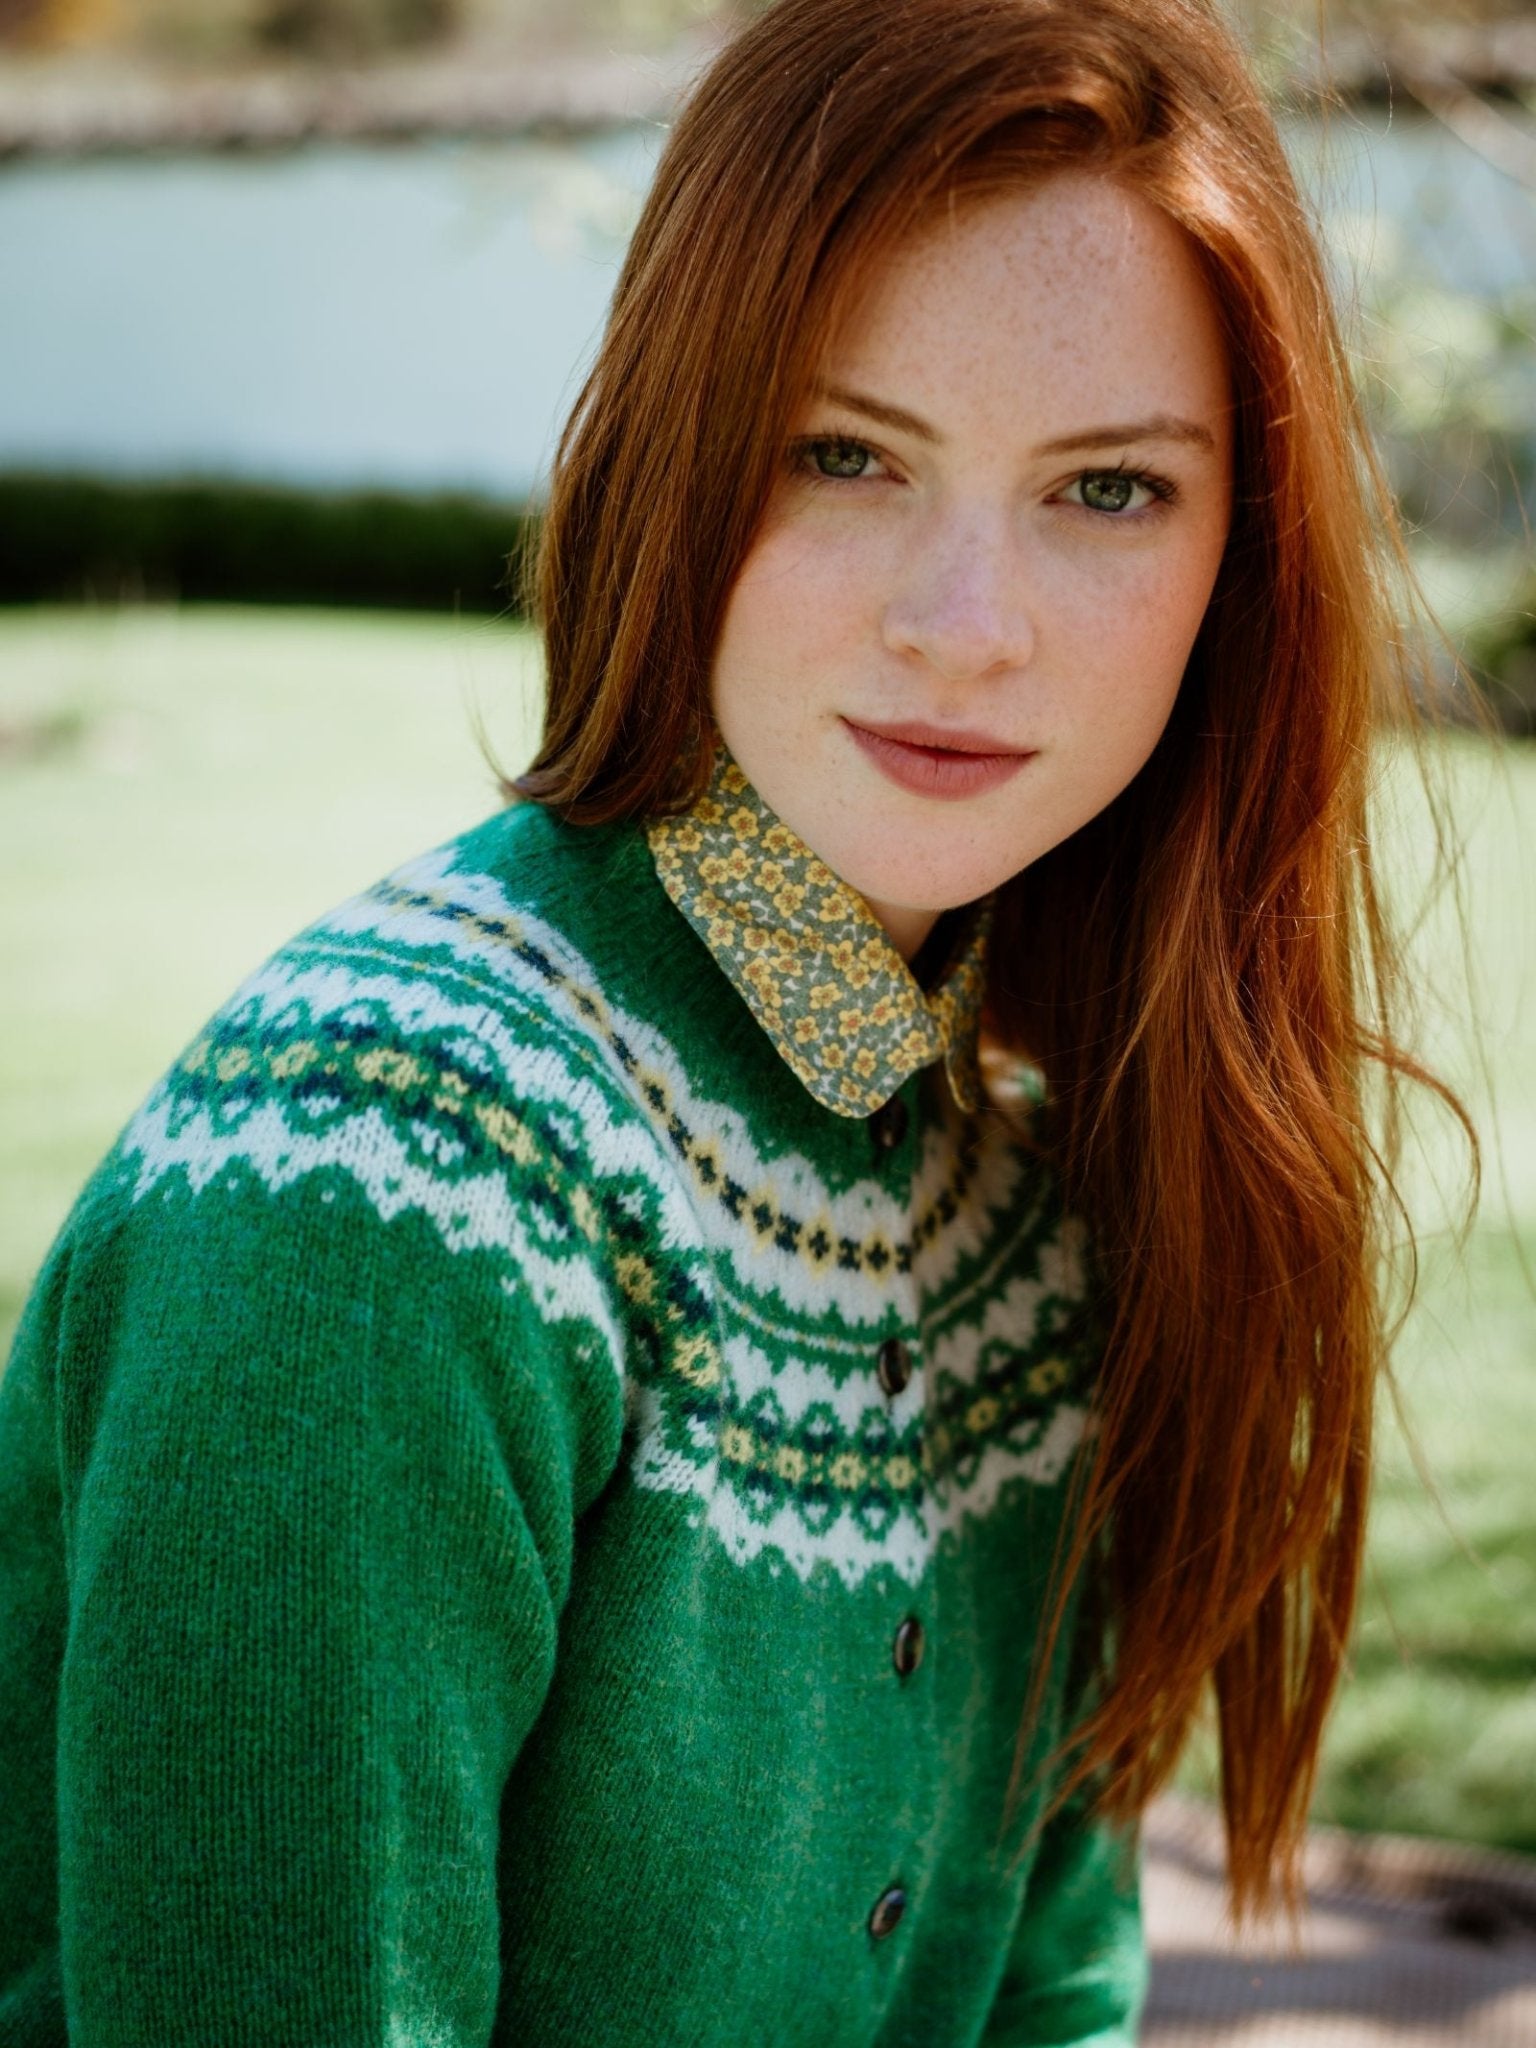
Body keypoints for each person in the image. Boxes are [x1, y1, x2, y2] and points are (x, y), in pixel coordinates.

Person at [0, 0, 1473, 2041]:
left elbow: (1051, 1992)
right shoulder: (380, 1189)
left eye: (1110, 490)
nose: (966, 622)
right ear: (676, 451)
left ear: (1244, 552)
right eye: (845, 453)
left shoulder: (1023, 1172)